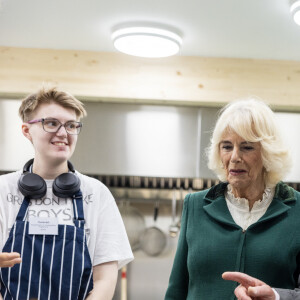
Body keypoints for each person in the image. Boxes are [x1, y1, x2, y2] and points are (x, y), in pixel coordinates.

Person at [0, 87, 133, 300]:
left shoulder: (96, 194)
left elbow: (104, 280)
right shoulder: (3, 190)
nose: (63, 133)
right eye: (51, 123)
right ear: (26, 130)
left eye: (71, 125)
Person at [164, 98, 300, 299]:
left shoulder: (297, 210)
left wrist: (277, 296)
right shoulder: (195, 206)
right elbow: (176, 290)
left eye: (246, 147)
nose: (234, 157)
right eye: (227, 146)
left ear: (268, 153)